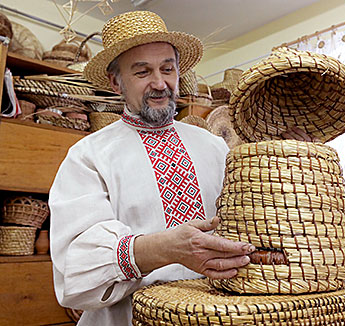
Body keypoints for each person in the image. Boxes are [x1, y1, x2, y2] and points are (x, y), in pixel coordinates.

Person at [49, 10, 316, 326]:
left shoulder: (212, 145)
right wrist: (166, 248)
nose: (160, 83)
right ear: (115, 81)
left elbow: (253, 216)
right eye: (142, 72)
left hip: (215, 315)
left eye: (167, 69)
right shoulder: (88, 156)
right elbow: (76, 271)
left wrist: (287, 160)